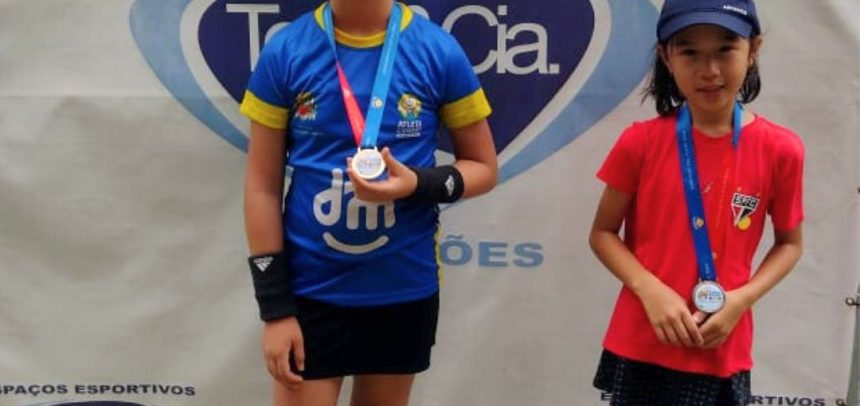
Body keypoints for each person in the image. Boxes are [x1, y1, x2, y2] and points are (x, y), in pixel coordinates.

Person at [239, 0, 497, 405]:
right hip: (311, 294)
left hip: (403, 290)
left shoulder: (438, 50)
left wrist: (417, 184)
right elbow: (261, 186)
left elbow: (483, 167)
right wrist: (275, 308)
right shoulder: (286, 50)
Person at [589, 1, 804, 404]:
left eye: (725, 49)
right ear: (665, 57)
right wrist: (649, 290)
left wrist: (741, 300)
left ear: (753, 49)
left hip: (720, 345)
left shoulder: (781, 150)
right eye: (689, 51)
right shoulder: (640, 142)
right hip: (643, 341)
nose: (710, 70)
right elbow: (602, 233)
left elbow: (790, 243)